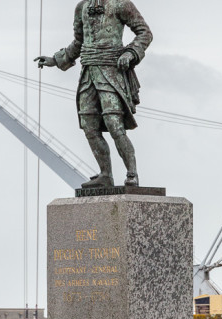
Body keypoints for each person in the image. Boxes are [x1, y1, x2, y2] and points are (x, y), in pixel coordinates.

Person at [35, 0, 152, 188]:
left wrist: (130, 53)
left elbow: (145, 33)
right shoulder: (81, 7)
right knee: (89, 126)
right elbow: (79, 43)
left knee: (115, 125)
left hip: (111, 72)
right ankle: (105, 174)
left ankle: (132, 173)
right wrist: (55, 60)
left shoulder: (121, 4)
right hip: (88, 73)